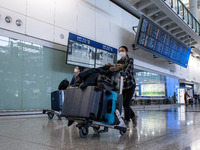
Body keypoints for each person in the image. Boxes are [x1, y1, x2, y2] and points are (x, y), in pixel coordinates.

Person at [117, 46, 137, 129]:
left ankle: (126, 121)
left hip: (130, 85)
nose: (121, 52)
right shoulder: (118, 62)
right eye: (120, 51)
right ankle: (133, 116)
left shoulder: (130, 60)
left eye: (122, 50)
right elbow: (116, 70)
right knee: (125, 104)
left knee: (126, 103)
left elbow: (128, 70)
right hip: (122, 86)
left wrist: (124, 73)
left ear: (126, 51)